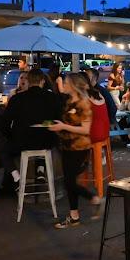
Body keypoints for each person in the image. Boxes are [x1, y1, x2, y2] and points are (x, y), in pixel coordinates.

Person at [48, 73, 101, 229]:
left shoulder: (84, 103)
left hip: (79, 146)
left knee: (69, 182)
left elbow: (85, 129)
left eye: (65, 82)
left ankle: (94, 198)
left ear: (73, 85)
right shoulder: (69, 101)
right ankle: (74, 216)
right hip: (67, 145)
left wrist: (63, 126)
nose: (63, 85)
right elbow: (69, 122)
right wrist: (58, 125)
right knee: (69, 181)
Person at [3, 69, 62, 182]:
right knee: (40, 137)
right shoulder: (52, 98)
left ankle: (15, 177)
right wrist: (44, 124)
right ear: (42, 81)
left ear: (28, 81)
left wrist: (11, 135)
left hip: (22, 142)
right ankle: (40, 169)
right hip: (47, 141)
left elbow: (5, 122)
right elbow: (57, 120)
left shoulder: (17, 98)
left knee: (3, 149)